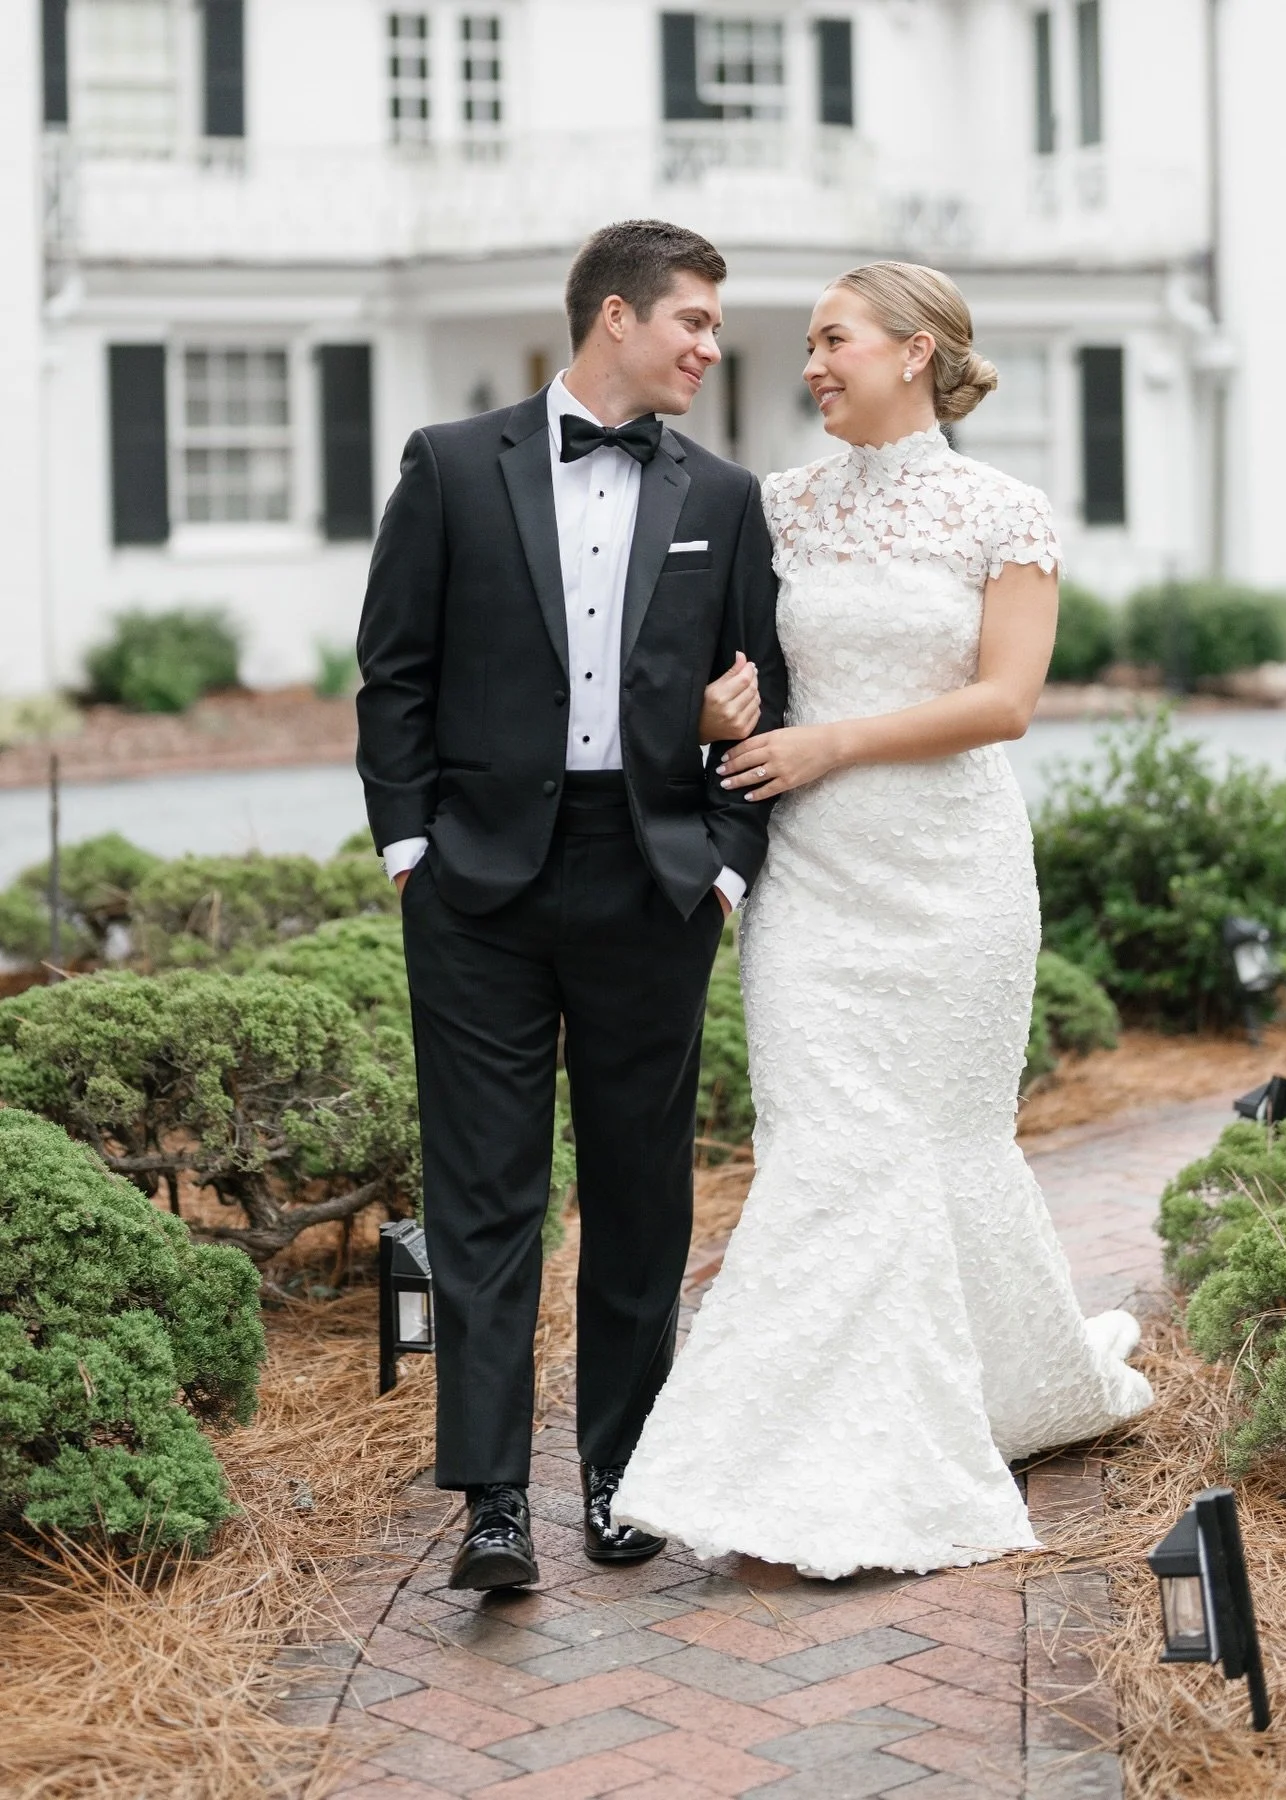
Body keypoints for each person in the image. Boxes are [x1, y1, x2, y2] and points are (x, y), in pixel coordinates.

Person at [613, 261, 1153, 1579]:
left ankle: (977, 1404)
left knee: (942, 1140)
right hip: (808, 887)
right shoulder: (768, 508)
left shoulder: (1002, 513)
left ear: (915, 352)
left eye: (831, 338)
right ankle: (790, 1452)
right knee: (833, 1152)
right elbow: (705, 669)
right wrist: (716, 720)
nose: (807, 361)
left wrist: (828, 744)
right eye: (804, 341)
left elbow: (1006, 701)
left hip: (953, 876)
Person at [355, 219, 787, 1591]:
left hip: (649, 882)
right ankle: (491, 1501)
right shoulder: (448, 466)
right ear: (617, 315)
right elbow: (394, 677)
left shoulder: (724, 497)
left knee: (641, 1196)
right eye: (695, 323)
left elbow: (764, 696)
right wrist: (410, 853)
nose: (711, 349)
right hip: (475, 886)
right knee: (484, 1199)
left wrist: (720, 865)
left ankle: (620, 1474)